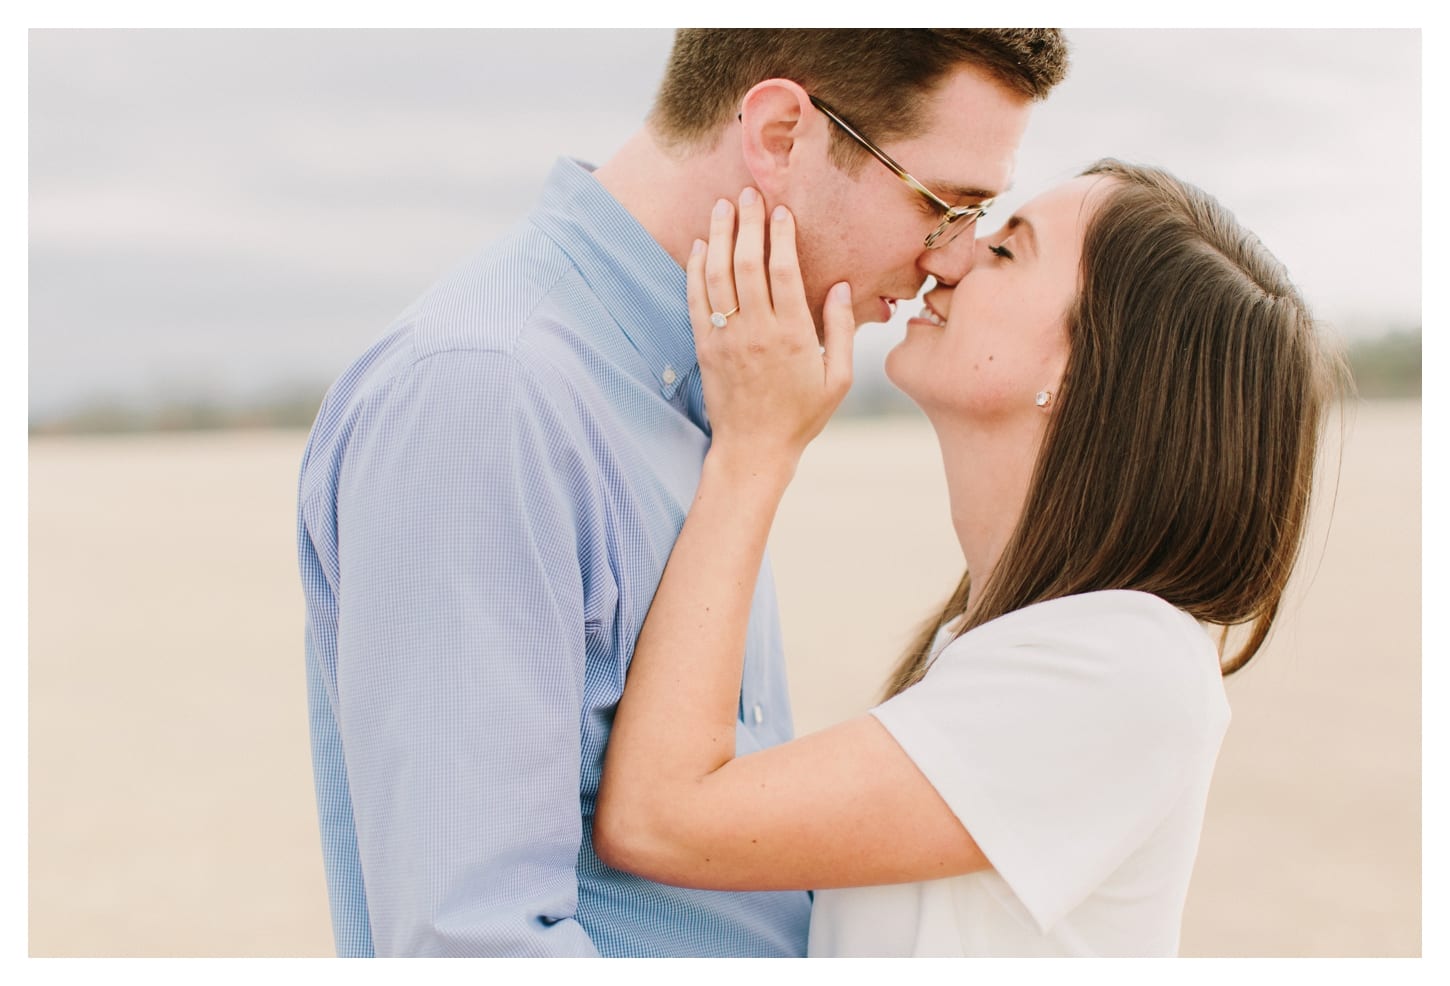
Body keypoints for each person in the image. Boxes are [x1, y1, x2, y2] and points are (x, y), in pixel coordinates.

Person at [295, 29, 1070, 957]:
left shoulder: (719, 387)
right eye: (945, 205)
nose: (948, 259)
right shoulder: (490, 393)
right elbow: (473, 943)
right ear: (782, 134)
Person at [593, 160, 1346, 956]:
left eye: (1007, 250)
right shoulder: (1034, 645)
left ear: (1084, 365)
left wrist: (753, 449)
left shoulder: (1123, 665)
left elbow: (660, 819)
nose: (949, 257)